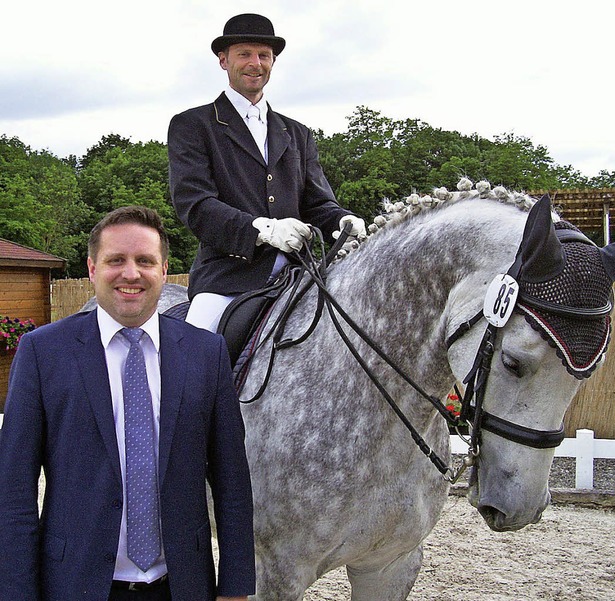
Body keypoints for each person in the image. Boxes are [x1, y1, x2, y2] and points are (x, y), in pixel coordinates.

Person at [0, 206, 255, 601]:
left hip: (183, 587)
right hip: (74, 586)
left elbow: (231, 479)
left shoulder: (207, 353)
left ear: (164, 270)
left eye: (145, 261)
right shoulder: (43, 352)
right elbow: (13, 488)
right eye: (115, 260)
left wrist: (236, 587)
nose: (131, 273)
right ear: (91, 268)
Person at [168, 13, 366, 333]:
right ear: (223, 60)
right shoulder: (193, 125)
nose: (255, 63)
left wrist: (342, 220)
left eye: (263, 55)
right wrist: (262, 229)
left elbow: (317, 203)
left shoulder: (297, 133)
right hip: (228, 279)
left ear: (272, 62)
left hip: (300, 275)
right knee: (197, 356)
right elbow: (196, 204)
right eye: (244, 54)